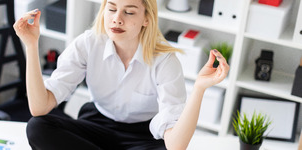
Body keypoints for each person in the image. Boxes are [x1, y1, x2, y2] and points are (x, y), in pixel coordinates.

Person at [13, 0, 229, 149]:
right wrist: (31, 46)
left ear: (146, 18)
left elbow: (176, 145)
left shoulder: (165, 61)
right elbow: (39, 107)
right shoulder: (88, 43)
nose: (117, 19)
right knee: (38, 127)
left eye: (129, 12)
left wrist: (199, 88)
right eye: (112, 8)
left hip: (142, 136)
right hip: (97, 124)